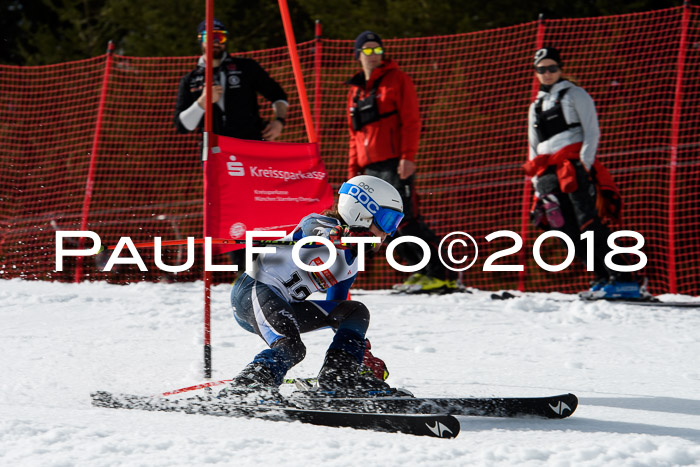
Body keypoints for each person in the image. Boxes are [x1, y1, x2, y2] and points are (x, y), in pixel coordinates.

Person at [221, 175, 405, 397]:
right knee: (292, 348)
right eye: (386, 221)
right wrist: (338, 236)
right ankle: (247, 387)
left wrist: (360, 353)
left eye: (394, 224)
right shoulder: (322, 224)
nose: (388, 233)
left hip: (284, 307)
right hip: (253, 291)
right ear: (362, 211)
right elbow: (311, 230)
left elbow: (337, 308)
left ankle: (338, 377)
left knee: (355, 312)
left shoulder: (353, 262)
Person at [524, 47, 645, 299]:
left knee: (588, 223)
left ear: (560, 69)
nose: (547, 74)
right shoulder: (535, 105)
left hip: (573, 168)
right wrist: (536, 181)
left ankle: (622, 277)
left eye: (552, 68)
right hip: (547, 174)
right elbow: (533, 146)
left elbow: (592, 131)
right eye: (541, 69)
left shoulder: (575, 94)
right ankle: (600, 275)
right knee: (561, 228)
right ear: (535, 73)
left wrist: (585, 164)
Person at [346, 31, 456, 294]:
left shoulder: (398, 80)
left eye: (377, 50)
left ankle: (440, 274)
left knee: (405, 220)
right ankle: (418, 271)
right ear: (358, 54)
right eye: (367, 50)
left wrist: (408, 157)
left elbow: (411, 121)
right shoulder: (355, 90)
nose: (373, 55)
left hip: (395, 163)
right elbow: (354, 135)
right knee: (383, 226)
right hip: (370, 169)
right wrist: (353, 172)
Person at [174, 18, 289, 269]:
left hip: (250, 151)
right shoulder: (191, 79)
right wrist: (202, 102)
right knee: (230, 216)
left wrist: (279, 121)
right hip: (215, 155)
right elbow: (182, 125)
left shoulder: (245, 68)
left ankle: (270, 267)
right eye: (209, 37)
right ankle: (244, 271)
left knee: (259, 208)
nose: (214, 43)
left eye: (220, 37)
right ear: (200, 40)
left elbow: (278, 94)